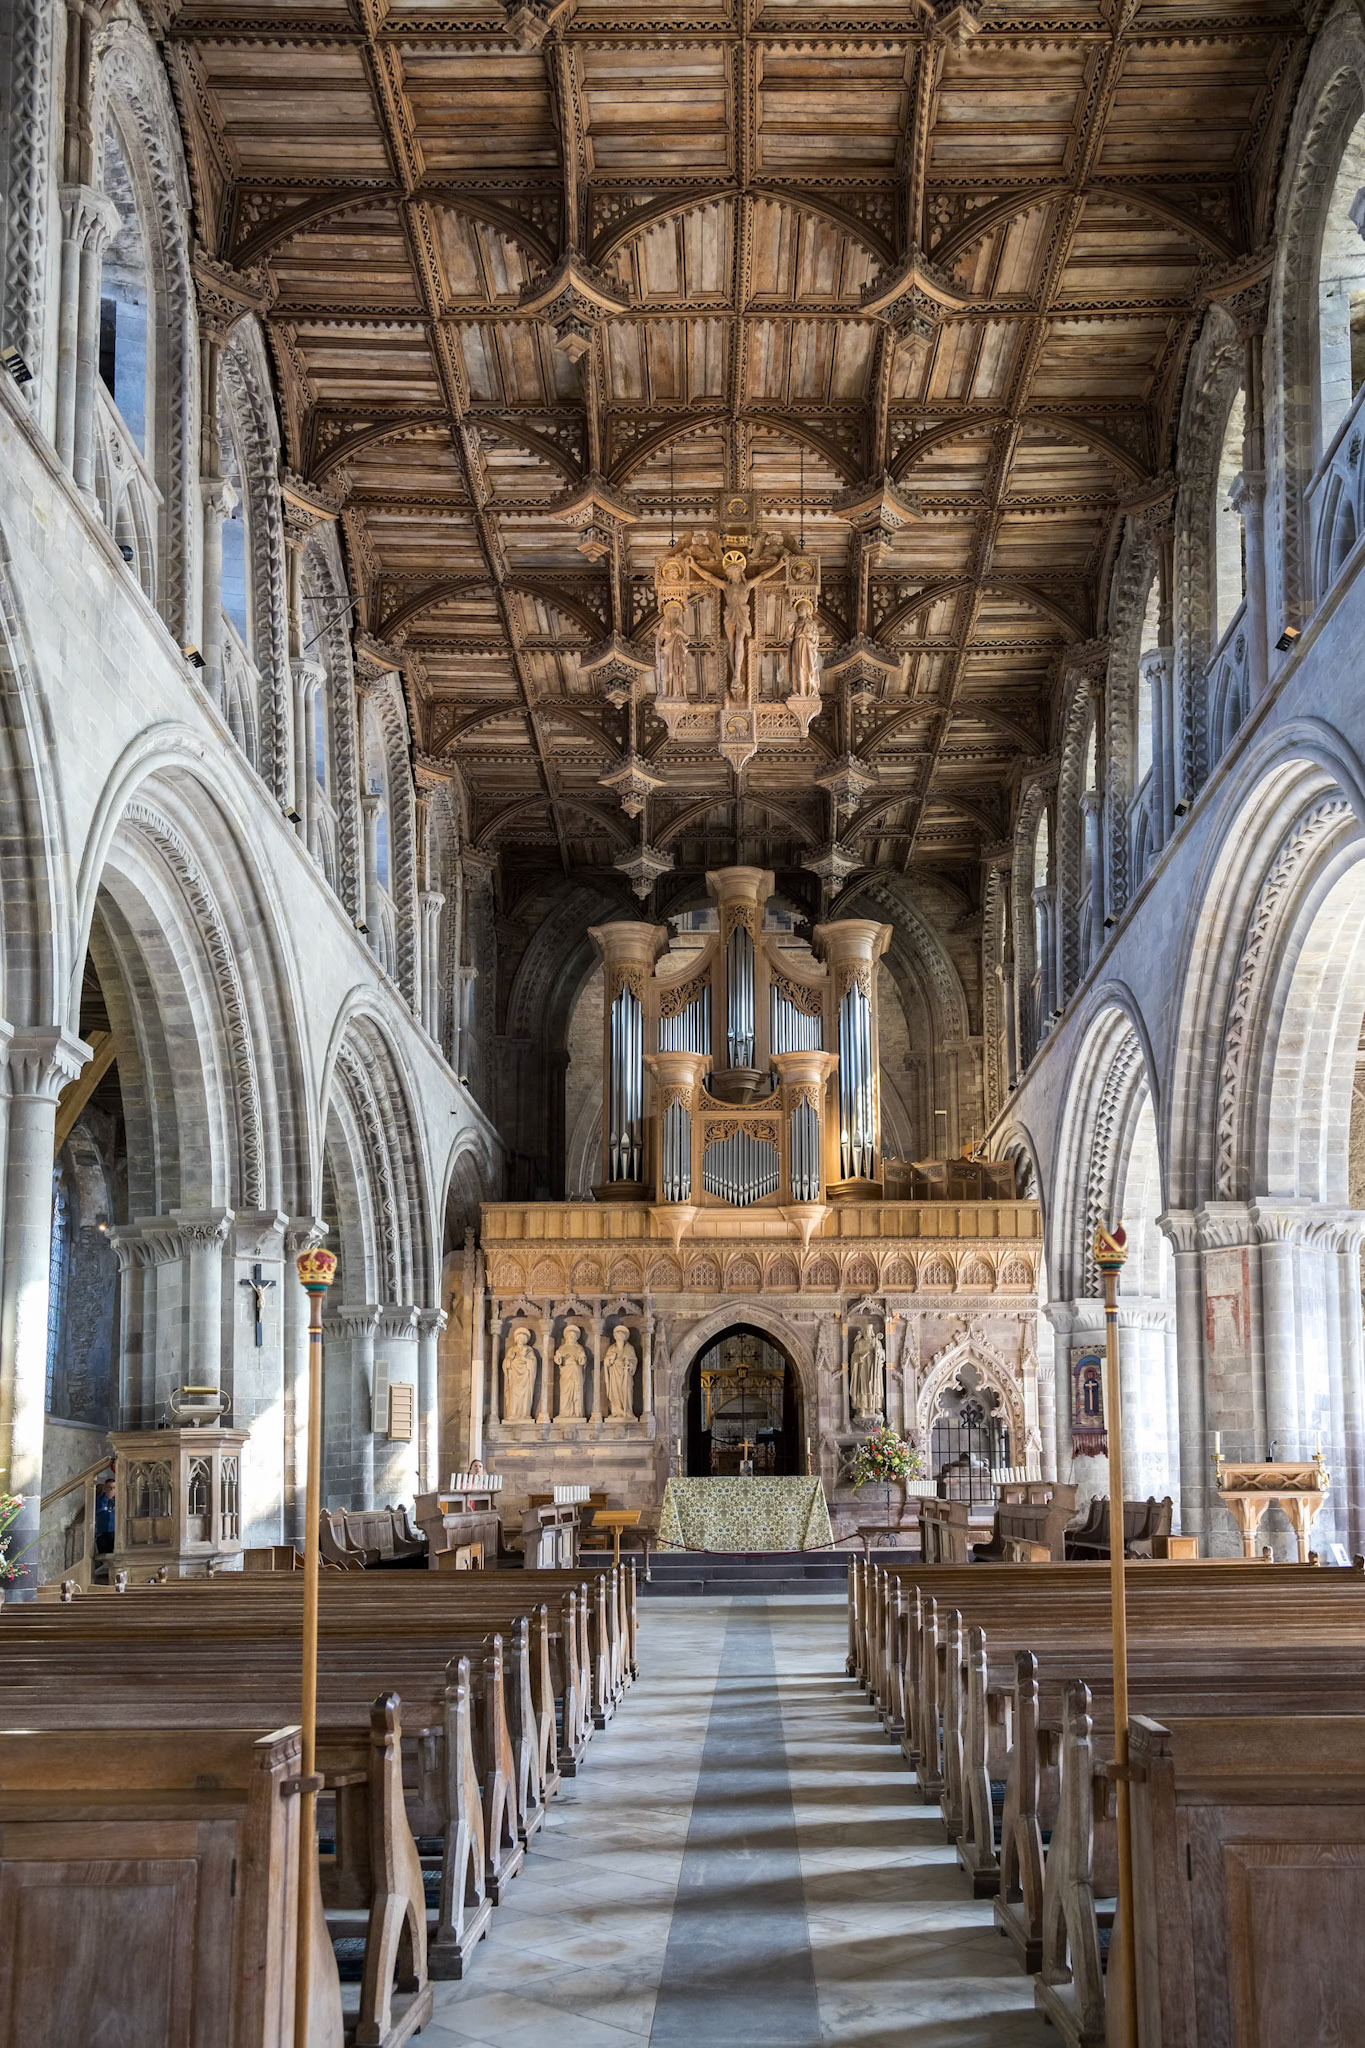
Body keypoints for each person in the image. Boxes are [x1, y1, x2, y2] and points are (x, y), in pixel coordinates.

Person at [94, 1477, 116, 1556]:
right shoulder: (98, 1499)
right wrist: (106, 1498)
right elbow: (95, 1510)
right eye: (109, 1487)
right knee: (103, 1554)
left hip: (115, 1531)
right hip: (102, 1531)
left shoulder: (119, 1500)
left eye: (113, 1488)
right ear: (104, 1488)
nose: (111, 1490)